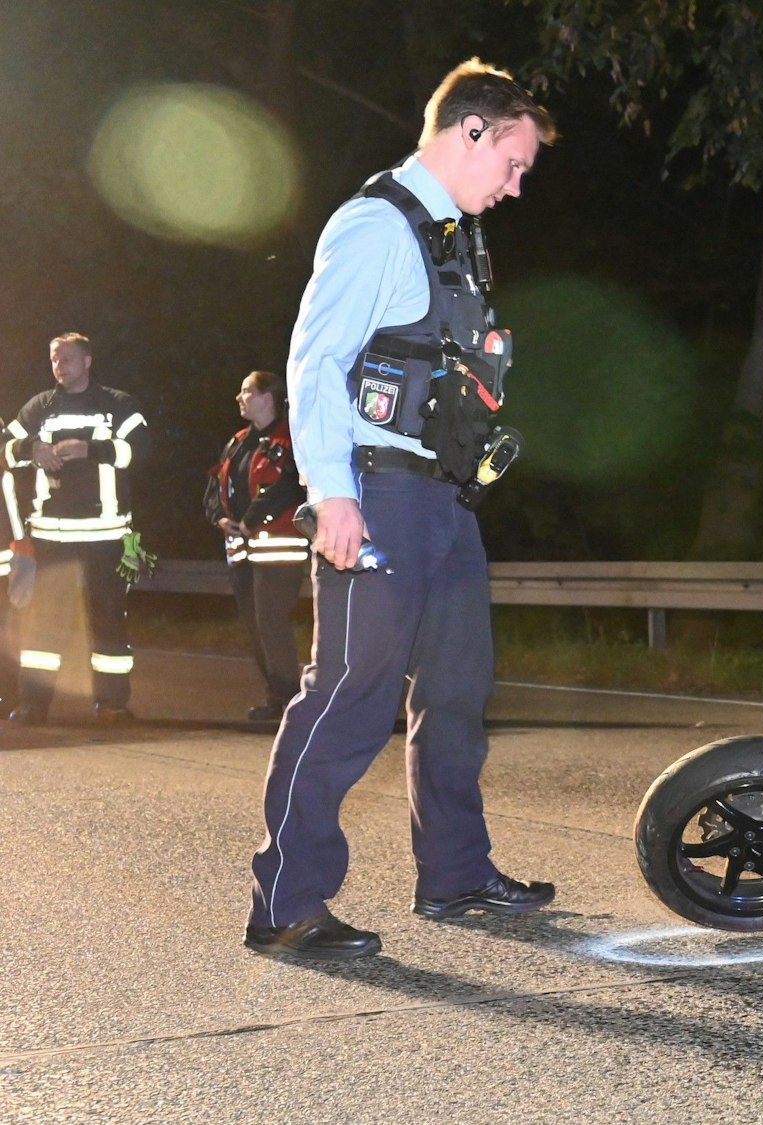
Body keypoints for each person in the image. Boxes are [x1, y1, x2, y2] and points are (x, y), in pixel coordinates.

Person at [244, 59, 557, 961]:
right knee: (349, 694)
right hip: (376, 493)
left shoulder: (453, 239)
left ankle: (455, 871)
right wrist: (330, 491)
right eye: (516, 162)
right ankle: (287, 903)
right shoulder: (377, 225)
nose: (518, 183)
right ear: (474, 132)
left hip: (441, 501)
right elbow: (314, 360)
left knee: (457, 692)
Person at [2, 333, 149, 725]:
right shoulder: (39, 407)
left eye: (67, 358)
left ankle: (113, 703)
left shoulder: (117, 404)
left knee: (108, 619)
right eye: (54, 359)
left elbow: (144, 449)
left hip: (106, 535)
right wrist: (32, 449)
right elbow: (5, 447)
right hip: (50, 535)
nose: (59, 366)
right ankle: (33, 704)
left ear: (87, 361)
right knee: (43, 624)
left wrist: (92, 450)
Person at [204, 370, 308, 721]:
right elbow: (213, 487)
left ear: (269, 398)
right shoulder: (236, 442)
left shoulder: (289, 440)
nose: (239, 397)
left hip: (279, 548)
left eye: (247, 391)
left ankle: (289, 697)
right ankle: (276, 696)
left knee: (270, 622)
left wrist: (250, 520)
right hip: (241, 550)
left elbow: (290, 487)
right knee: (254, 624)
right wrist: (220, 518)